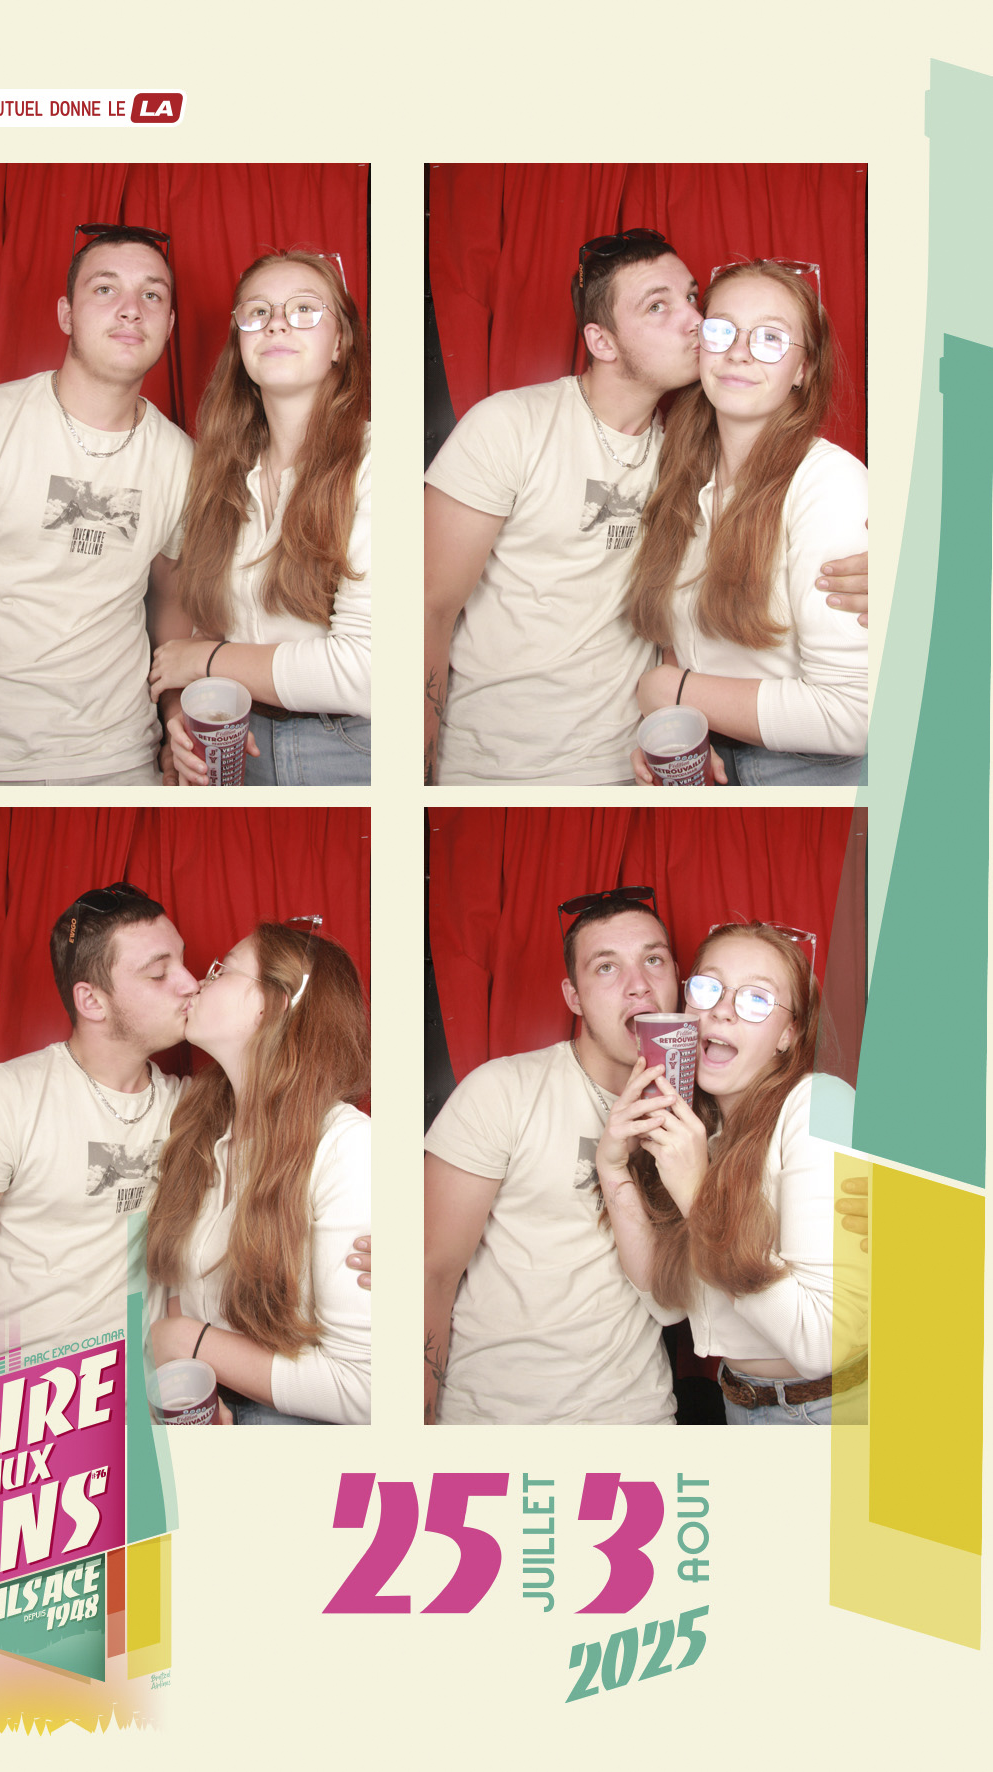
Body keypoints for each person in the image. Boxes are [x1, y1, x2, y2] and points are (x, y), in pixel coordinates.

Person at [423, 229, 868, 786]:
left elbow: (850, 701)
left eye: (692, 299)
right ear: (602, 341)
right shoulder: (523, 428)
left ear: (802, 368)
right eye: (658, 306)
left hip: (668, 765)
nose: (694, 322)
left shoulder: (711, 463)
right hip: (501, 769)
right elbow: (426, 607)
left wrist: (667, 696)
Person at [0, 885, 370, 1381]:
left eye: (184, 962)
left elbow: (299, 1144)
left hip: (142, 1402)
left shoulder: (195, 1112)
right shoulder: (1, 1100)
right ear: (92, 1001)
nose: (190, 982)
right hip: (9, 1404)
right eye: (159, 973)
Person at [0, 225, 196, 785]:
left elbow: (173, 611)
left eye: (152, 295)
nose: (131, 309)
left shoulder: (182, 460)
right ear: (66, 314)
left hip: (122, 758)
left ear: (169, 325)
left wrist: (177, 719)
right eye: (105, 289)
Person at [423, 888, 683, 1425]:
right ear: (574, 997)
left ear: (677, 977)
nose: (639, 984)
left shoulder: (695, 1115)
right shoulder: (504, 1091)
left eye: (654, 960)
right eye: (606, 967)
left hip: (637, 1417)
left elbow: (675, 1299)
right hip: (493, 1420)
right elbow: (431, 1274)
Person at [596, 922, 867, 1424]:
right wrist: (613, 1167)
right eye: (708, 987)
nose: (722, 1009)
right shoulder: (704, 1135)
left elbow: (822, 1343)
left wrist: (697, 1193)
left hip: (828, 1410)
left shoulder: (819, 1107)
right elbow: (665, 1302)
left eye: (757, 999)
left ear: (788, 1034)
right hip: (740, 1403)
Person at [628, 262, 867, 786]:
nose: (739, 352)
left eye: (771, 338)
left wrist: (669, 690)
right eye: (722, 330)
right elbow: (686, 637)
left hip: (805, 770)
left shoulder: (828, 482)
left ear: (803, 370)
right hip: (712, 751)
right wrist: (675, 725)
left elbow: (854, 716)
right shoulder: (683, 472)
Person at [152, 250, 371, 787]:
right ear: (240, 345)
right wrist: (179, 715)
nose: (276, 322)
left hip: (350, 749)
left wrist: (204, 661)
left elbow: (367, 673)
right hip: (237, 736)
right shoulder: (218, 472)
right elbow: (200, 627)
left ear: (339, 344)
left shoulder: (374, 463)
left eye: (304, 309)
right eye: (257, 312)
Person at [146, 921, 371, 1424]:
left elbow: (367, 1391)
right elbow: (188, 1291)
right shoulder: (203, 1128)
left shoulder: (348, 1147)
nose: (198, 982)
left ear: (272, 1004)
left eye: (222, 970)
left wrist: (186, 1340)